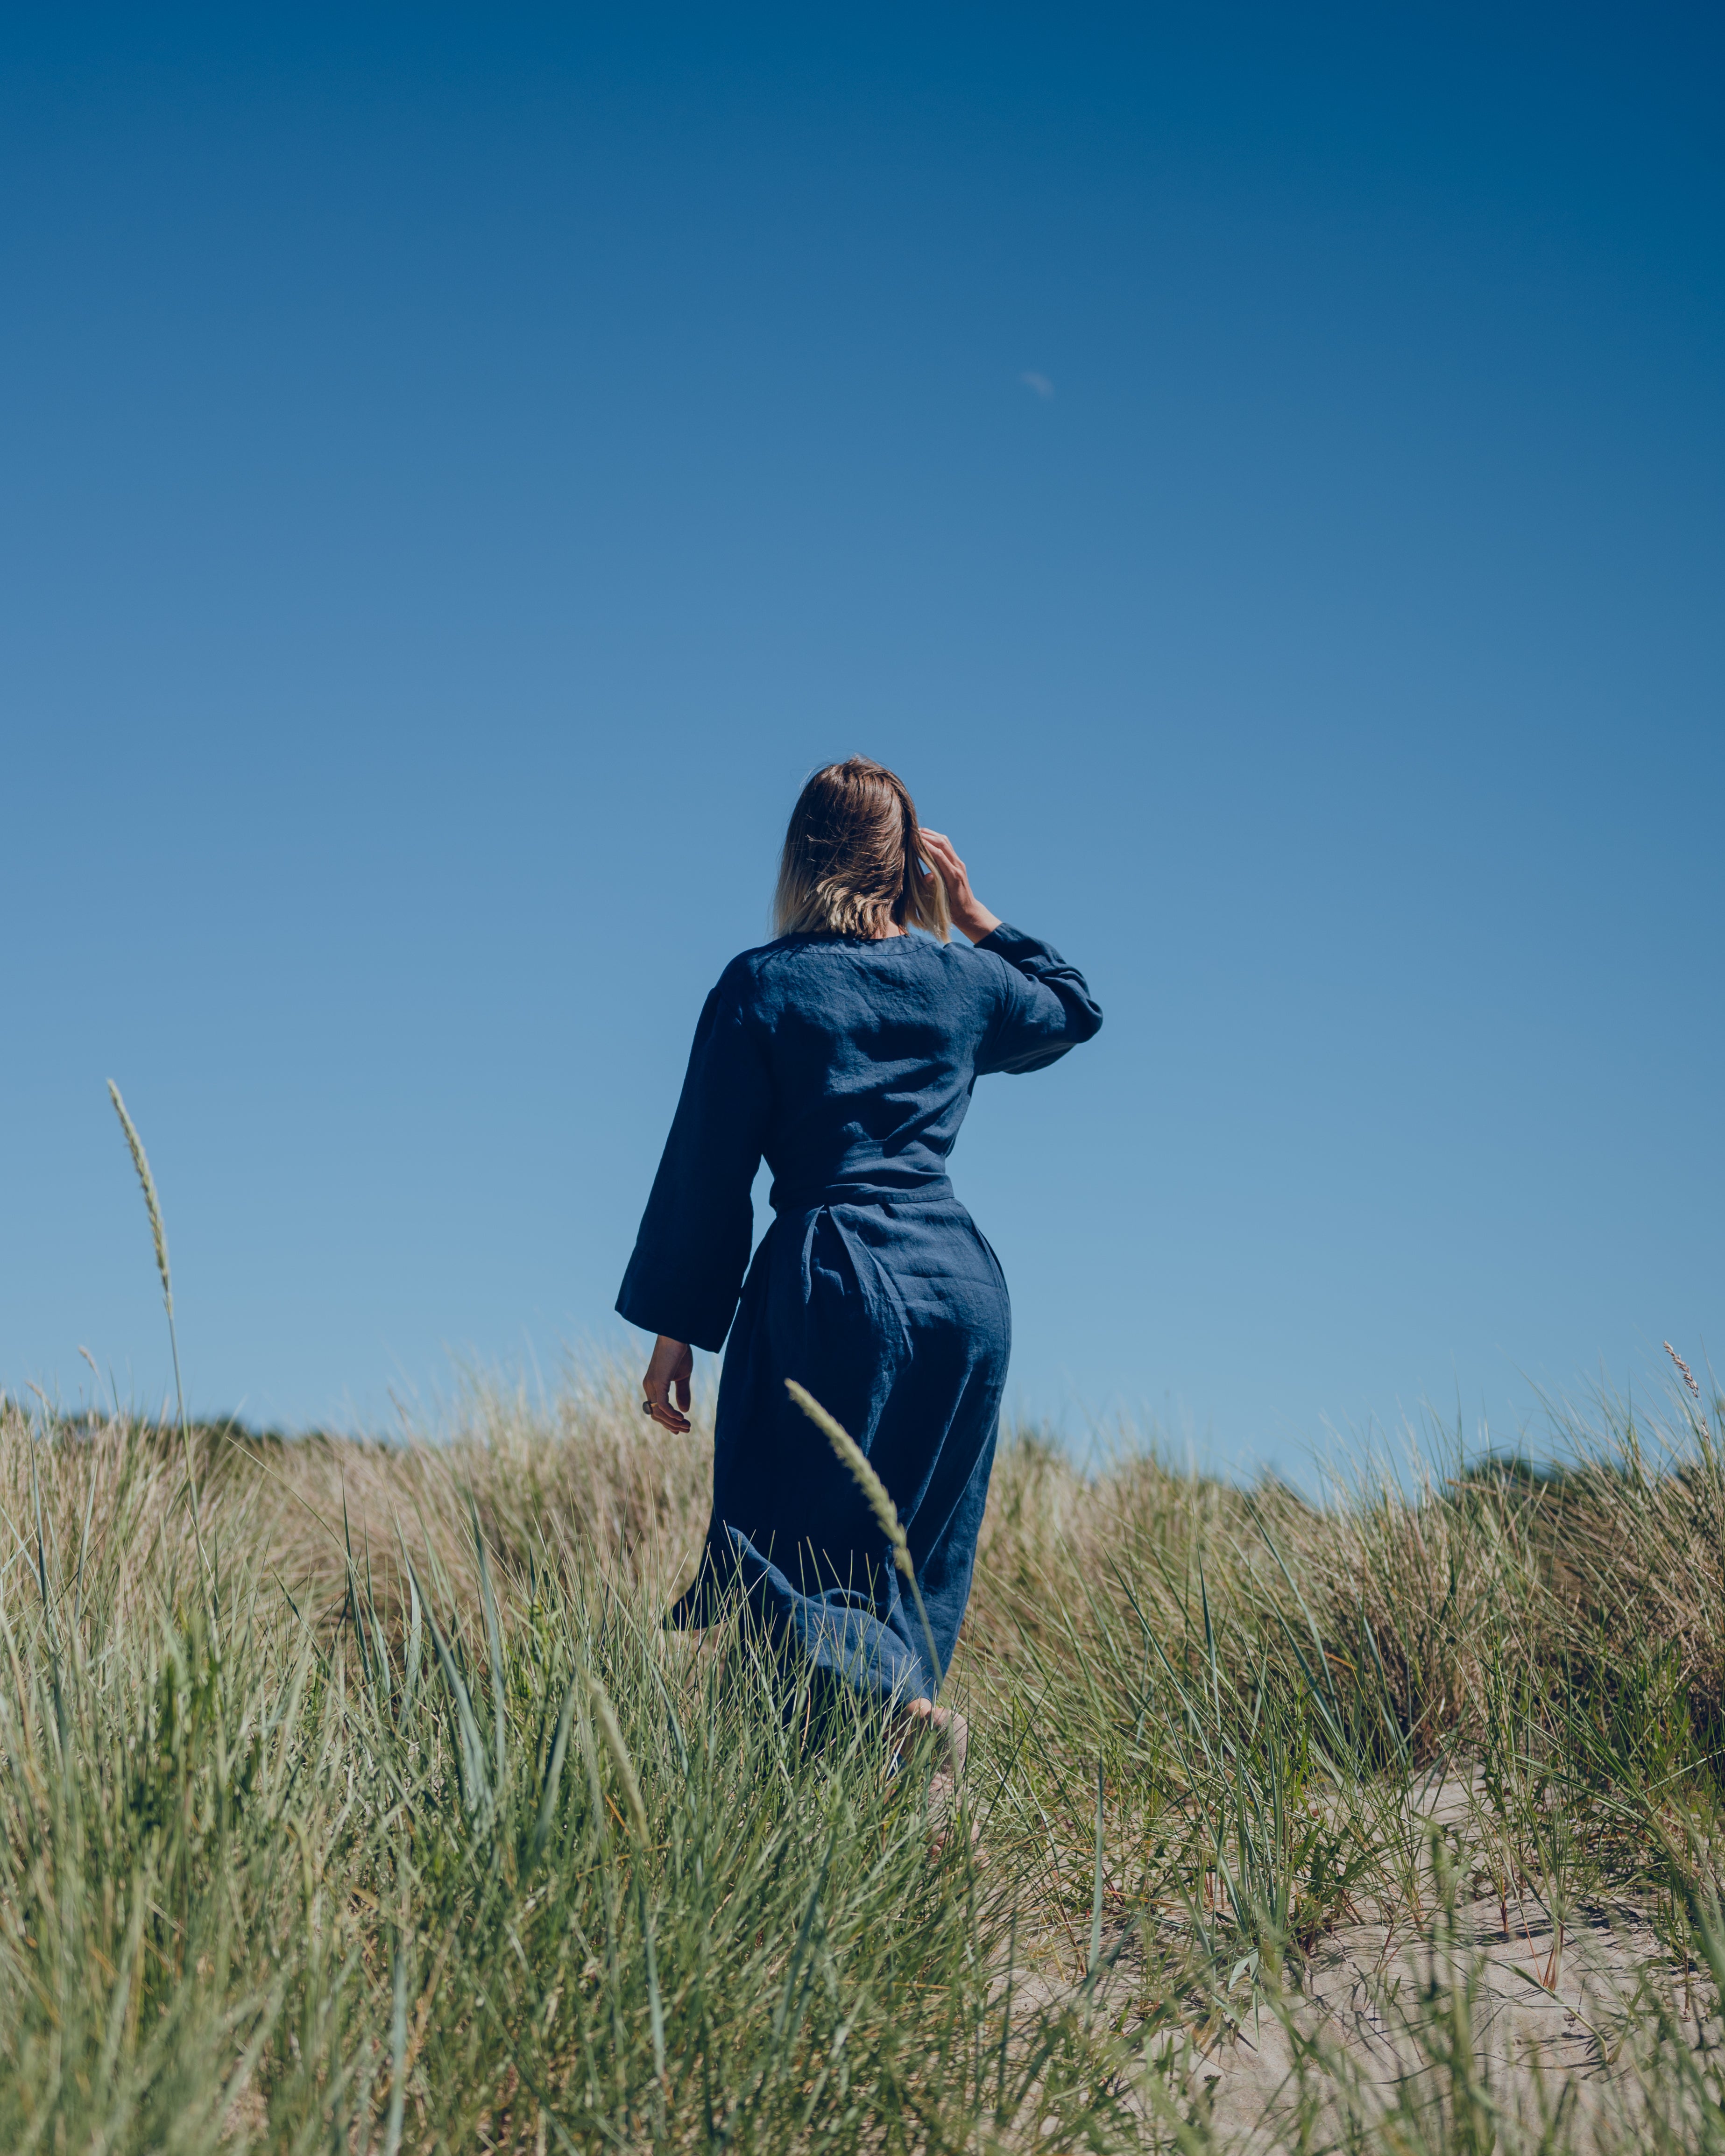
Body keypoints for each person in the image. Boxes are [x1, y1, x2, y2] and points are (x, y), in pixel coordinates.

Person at [616, 756, 1101, 1765]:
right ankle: (890, 1768)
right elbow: (1070, 1008)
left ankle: (894, 1720)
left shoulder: (764, 984)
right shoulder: (961, 981)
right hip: (960, 1286)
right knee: (912, 1551)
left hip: (830, 1275)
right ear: (909, 863)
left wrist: (676, 1332)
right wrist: (974, 916)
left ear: (800, 852)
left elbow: (707, 1171)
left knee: (772, 1536)